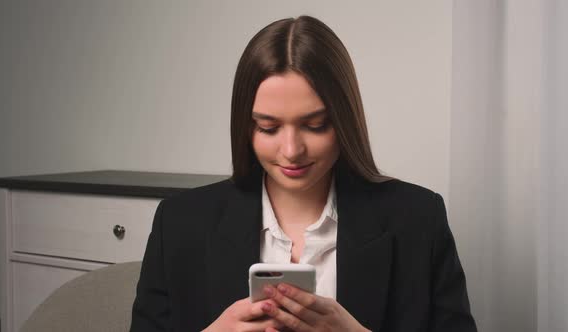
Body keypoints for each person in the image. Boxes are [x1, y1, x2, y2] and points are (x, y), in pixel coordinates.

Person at [130, 15, 477, 332]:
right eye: (268, 128)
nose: (292, 150)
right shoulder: (179, 223)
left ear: (344, 121)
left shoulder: (418, 220)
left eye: (315, 125)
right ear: (245, 127)